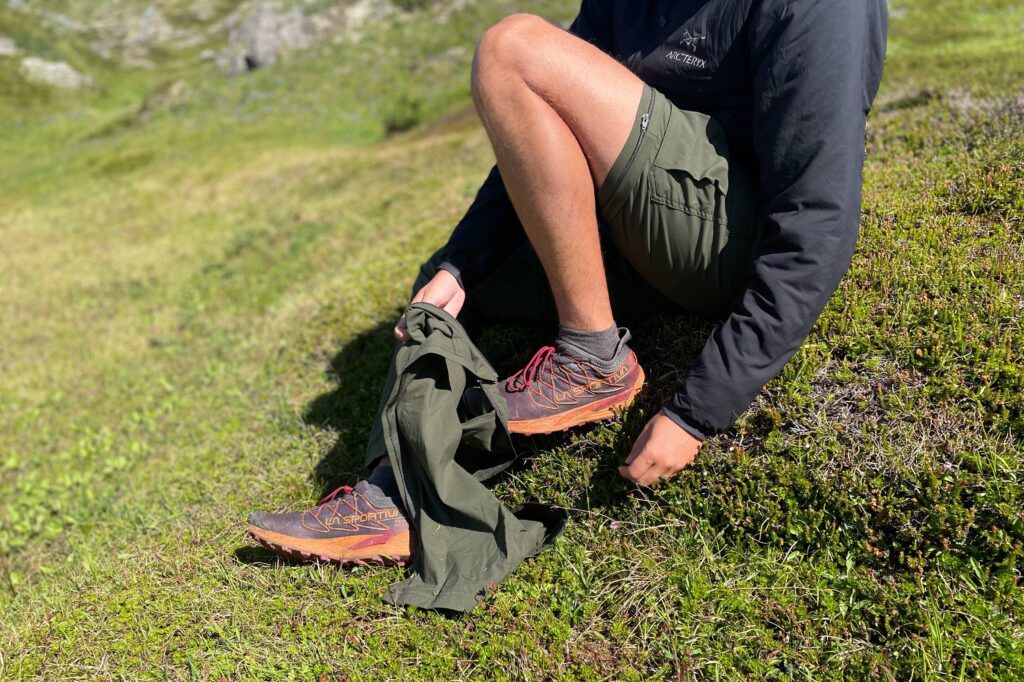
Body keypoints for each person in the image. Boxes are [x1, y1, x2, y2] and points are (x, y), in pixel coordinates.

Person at [246, 0, 888, 565]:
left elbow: (818, 219)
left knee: (513, 47)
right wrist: (460, 261)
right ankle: (395, 494)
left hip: (722, 241)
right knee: (446, 296)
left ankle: (593, 354)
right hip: (637, 224)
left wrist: (699, 412)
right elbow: (540, 126)